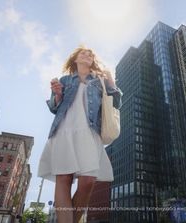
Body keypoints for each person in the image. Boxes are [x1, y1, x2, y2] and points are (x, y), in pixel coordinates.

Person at [38, 46, 123, 223]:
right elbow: (54, 107)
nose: (88, 55)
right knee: (64, 178)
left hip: (90, 132)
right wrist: (58, 94)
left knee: (88, 182)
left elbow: (117, 103)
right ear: (75, 59)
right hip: (64, 130)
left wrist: (112, 83)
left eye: (91, 54)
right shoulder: (65, 79)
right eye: (83, 53)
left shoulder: (99, 80)